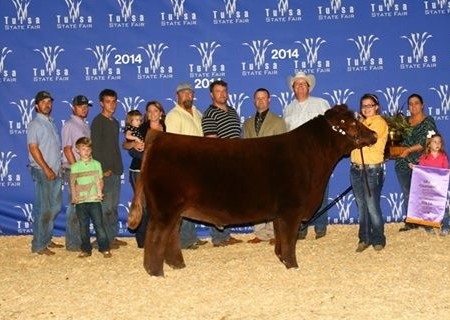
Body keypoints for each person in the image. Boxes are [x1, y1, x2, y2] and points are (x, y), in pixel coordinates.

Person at [283, 71, 331, 240]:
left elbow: (331, 128)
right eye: (297, 84)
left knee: (320, 191)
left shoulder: (321, 104)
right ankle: (301, 228)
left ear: (309, 87)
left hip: (318, 155)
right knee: (299, 194)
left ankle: (320, 227)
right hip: (296, 158)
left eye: (303, 83)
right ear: (293, 88)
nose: (300, 86)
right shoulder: (288, 108)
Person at [165, 82, 208, 249]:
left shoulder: (197, 113)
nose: (188, 96)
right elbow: (172, 143)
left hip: (197, 166)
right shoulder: (173, 116)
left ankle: (190, 237)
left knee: (192, 202)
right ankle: (183, 240)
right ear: (178, 96)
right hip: (183, 166)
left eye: (190, 93)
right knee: (183, 203)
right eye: (184, 93)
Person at [201, 79, 243, 247]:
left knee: (229, 201)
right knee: (217, 201)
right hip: (220, 163)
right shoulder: (209, 114)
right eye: (218, 91)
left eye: (224, 91)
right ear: (212, 95)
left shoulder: (233, 111)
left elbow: (237, 136)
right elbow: (212, 142)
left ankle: (226, 235)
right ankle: (218, 238)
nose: (222, 94)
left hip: (235, 162)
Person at [243, 88, 287, 244]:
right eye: (257, 98)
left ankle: (275, 233)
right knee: (256, 201)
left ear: (269, 100)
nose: (260, 101)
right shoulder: (247, 123)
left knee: (273, 201)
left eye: (263, 98)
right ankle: (260, 233)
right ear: (254, 101)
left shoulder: (278, 121)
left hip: (272, 168)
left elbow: (283, 147)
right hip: (253, 168)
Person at [123, 101, 166, 248]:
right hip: (139, 171)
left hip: (157, 172)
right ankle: (142, 240)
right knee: (143, 206)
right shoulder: (141, 128)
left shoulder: (165, 128)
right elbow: (129, 147)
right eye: (150, 111)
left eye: (156, 110)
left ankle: (153, 237)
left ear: (161, 113)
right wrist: (135, 145)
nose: (153, 113)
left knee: (155, 206)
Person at [350, 94, 388, 252]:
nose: (366, 108)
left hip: (371, 169)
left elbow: (370, 139)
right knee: (362, 206)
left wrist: (355, 130)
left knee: (372, 206)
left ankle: (379, 238)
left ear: (376, 107)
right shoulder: (361, 123)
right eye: (363, 106)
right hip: (356, 168)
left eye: (369, 105)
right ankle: (364, 238)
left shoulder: (379, 122)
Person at [27, 90, 63, 255]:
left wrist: (58, 166)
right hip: (43, 171)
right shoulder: (35, 124)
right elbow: (33, 148)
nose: (47, 105)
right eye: (43, 102)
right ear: (36, 106)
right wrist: (46, 168)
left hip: (55, 171)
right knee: (44, 209)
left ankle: (46, 239)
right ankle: (39, 245)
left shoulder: (51, 122)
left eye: (49, 102)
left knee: (54, 208)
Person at [396, 93, 437, 232]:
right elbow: (397, 141)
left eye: (416, 103)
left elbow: (426, 142)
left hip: (421, 163)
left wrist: (408, 150)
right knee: (407, 193)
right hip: (402, 163)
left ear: (422, 105)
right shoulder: (404, 122)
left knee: (423, 193)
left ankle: (427, 222)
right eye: (410, 104)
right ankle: (411, 222)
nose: (413, 106)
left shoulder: (428, 121)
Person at [91, 89, 126, 248]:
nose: (111, 105)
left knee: (112, 207)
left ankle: (111, 236)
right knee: (105, 208)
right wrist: (101, 170)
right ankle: (101, 240)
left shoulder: (115, 122)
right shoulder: (98, 122)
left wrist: (116, 167)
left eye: (114, 101)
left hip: (115, 170)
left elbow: (113, 147)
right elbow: (95, 148)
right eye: (108, 101)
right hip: (104, 172)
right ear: (101, 103)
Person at [70, 137, 112, 258]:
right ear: (77, 150)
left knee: (99, 225)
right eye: (83, 149)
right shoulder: (75, 167)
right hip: (80, 202)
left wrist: (100, 192)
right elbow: (73, 184)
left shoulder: (97, 164)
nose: (86, 151)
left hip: (94, 200)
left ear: (91, 150)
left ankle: (104, 248)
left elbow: (100, 181)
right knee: (83, 226)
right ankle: (86, 249)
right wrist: (74, 196)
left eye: (88, 149)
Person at [61, 95, 92, 251]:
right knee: (74, 206)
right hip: (74, 169)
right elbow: (67, 149)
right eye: (81, 106)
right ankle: (73, 243)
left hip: (83, 170)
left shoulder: (84, 125)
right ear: (73, 107)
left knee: (80, 207)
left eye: (86, 106)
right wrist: (77, 170)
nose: (84, 108)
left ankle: (78, 240)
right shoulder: (70, 125)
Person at [408, 131, 449, 236]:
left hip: (440, 189)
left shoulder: (443, 157)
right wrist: (415, 168)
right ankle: (428, 226)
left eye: (439, 142)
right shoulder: (424, 157)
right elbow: (421, 171)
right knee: (428, 208)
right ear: (429, 144)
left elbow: (446, 171)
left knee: (443, 207)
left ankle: (445, 226)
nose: (437, 144)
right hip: (428, 189)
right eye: (435, 142)